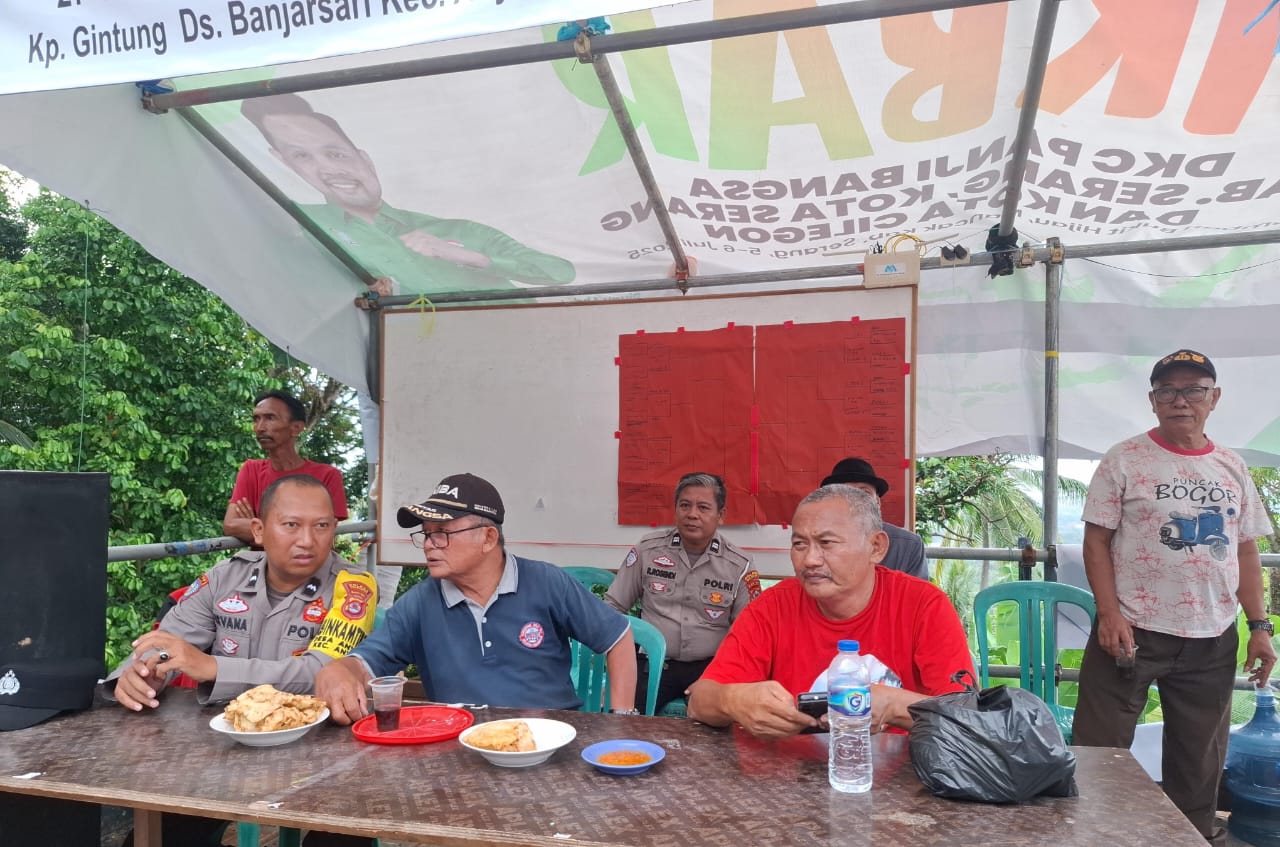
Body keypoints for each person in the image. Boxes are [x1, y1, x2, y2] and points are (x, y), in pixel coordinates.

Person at [1072, 349, 1276, 845]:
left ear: (1214, 398)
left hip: (1212, 636)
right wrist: (1109, 614)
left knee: (1199, 761)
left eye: (1193, 390)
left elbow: (1245, 549)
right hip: (1131, 631)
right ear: (1153, 400)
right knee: (1100, 750)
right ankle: (1093, 836)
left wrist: (1259, 626)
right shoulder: (1124, 458)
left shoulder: (1232, 466)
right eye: (1168, 391)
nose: (1180, 401)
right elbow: (1096, 542)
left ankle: (1191, 837)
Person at [109, 474, 378, 847]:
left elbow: (320, 672)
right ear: (259, 530)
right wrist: (142, 674)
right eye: (291, 525)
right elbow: (168, 642)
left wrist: (212, 667)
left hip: (324, 751)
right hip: (225, 746)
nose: (307, 540)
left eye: (321, 526)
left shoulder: (354, 586)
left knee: (343, 837)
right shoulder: (225, 578)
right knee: (155, 838)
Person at [317, 473, 637, 721]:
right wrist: (340, 670)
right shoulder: (419, 604)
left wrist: (621, 719)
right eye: (426, 534)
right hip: (460, 748)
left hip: (552, 741)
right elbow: (365, 664)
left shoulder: (546, 583)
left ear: (488, 538)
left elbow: (617, 636)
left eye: (442, 533)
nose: (429, 544)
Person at [687, 485, 973, 740]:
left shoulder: (924, 605)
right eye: (799, 544)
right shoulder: (772, 607)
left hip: (901, 772)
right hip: (788, 772)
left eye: (826, 543)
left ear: (876, 547)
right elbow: (699, 702)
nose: (810, 560)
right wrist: (733, 700)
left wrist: (894, 705)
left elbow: (968, 719)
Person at [240, 93, 575, 295]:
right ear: (283, 162)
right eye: (302, 156)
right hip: (413, 364)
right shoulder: (303, 225)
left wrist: (472, 258)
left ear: (364, 158)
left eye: (335, 153)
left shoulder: (460, 231)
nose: (328, 169)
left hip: (523, 346)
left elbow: (561, 272)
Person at [605, 472, 760, 712]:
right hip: (652, 665)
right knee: (624, 723)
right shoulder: (648, 551)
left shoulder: (739, 565)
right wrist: (619, 659)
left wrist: (720, 673)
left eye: (703, 507)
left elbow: (746, 632)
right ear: (675, 509)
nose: (692, 514)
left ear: (721, 515)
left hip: (710, 670)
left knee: (717, 726)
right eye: (685, 505)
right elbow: (613, 607)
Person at [223, 390, 348, 544]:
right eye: (256, 419)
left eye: (270, 418)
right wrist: (293, 526)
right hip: (261, 559)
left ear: (296, 427)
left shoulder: (327, 475)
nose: (260, 427)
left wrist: (257, 527)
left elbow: (320, 534)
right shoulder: (251, 469)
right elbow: (231, 525)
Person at [821, 457, 928, 579]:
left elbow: (917, 590)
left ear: (877, 502)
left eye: (864, 492)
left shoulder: (908, 545)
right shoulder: (816, 542)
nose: (856, 500)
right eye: (845, 493)